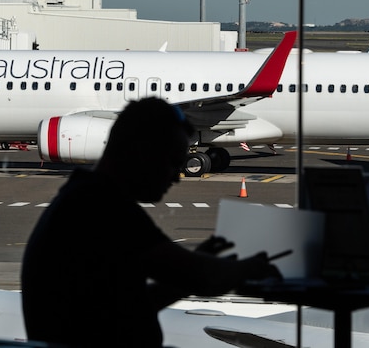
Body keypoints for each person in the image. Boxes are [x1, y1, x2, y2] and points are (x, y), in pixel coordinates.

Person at [21, 98, 280, 347]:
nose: (175, 178)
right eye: (171, 163)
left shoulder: (85, 196)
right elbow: (204, 278)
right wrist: (251, 267)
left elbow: (133, 305)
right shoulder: (104, 209)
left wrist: (194, 266)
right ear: (142, 153)